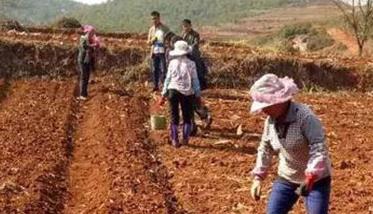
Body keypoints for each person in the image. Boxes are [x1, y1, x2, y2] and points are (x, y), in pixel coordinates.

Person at [249, 74, 332, 214]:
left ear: (280, 101)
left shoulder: (305, 117)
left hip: (316, 181)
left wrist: (311, 177)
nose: (263, 110)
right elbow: (265, 147)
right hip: (287, 177)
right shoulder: (270, 121)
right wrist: (258, 177)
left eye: (266, 105)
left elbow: (319, 149)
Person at [160, 40, 201, 148]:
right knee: (187, 116)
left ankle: (174, 139)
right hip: (187, 92)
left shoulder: (172, 63)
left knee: (174, 116)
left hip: (172, 91)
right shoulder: (191, 64)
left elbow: (168, 79)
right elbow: (195, 80)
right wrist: (197, 94)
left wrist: (163, 93)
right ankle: (185, 139)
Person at [181, 19, 212, 134]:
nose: (185, 28)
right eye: (183, 26)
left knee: (192, 103)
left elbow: (194, 47)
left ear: (190, 25)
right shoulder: (183, 35)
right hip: (187, 83)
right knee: (191, 103)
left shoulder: (195, 35)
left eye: (187, 26)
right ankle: (196, 122)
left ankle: (202, 117)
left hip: (194, 59)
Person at [148, 11, 170, 92]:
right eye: (152, 19)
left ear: (159, 18)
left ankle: (165, 86)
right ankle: (156, 86)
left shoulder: (165, 28)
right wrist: (152, 41)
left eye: (155, 18)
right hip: (154, 52)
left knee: (164, 69)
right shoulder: (151, 29)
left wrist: (165, 43)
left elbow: (169, 39)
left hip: (163, 52)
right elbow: (148, 42)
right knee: (155, 69)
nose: (154, 20)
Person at [77, 25, 100, 100]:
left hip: (87, 60)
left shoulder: (89, 39)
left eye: (93, 33)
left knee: (86, 77)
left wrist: (95, 46)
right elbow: (85, 47)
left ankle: (85, 94)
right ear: (88, 32)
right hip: (83, 60)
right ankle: (82, 95)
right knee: (84, 77)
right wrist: (93, 45)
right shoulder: (83, 38)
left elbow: (91, 48)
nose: (92, 34)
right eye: (91, 33)